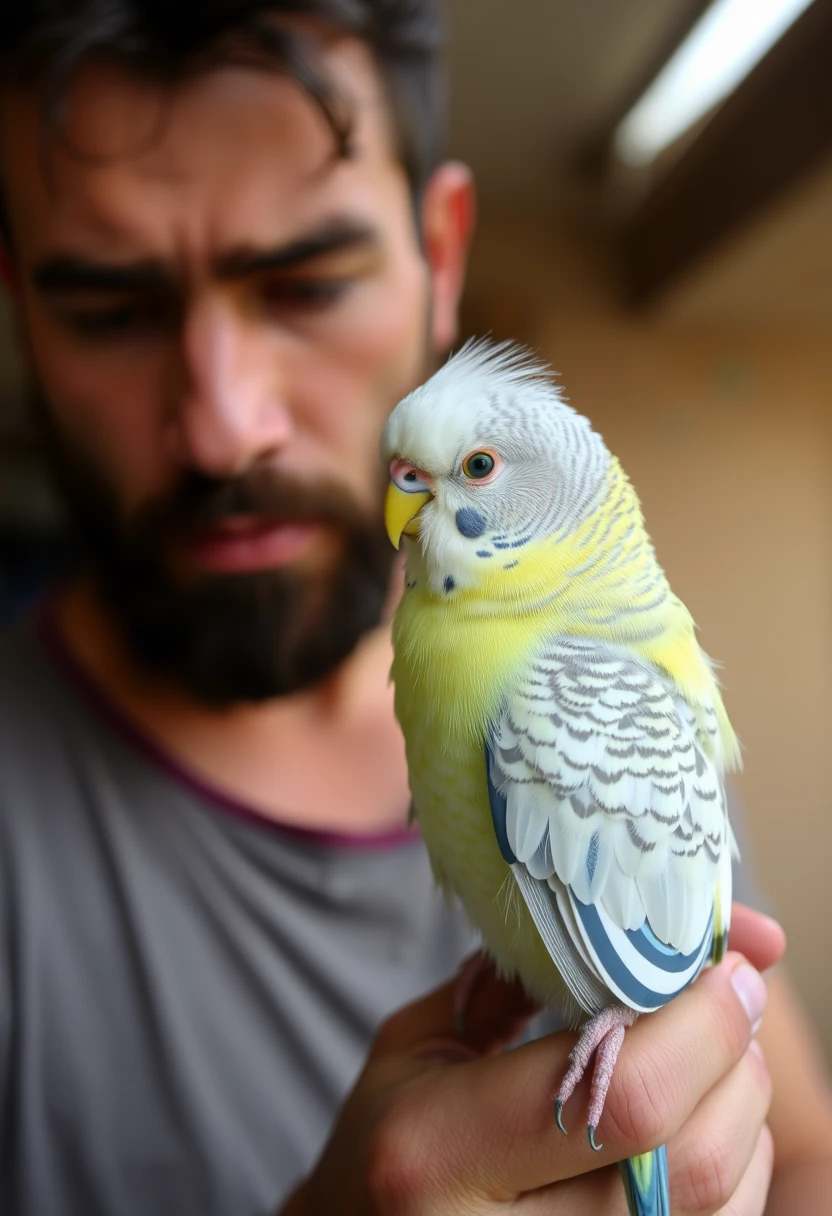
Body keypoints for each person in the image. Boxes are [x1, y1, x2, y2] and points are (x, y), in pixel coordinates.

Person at [0, 3, 829, 1213]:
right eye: (111, 309)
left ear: (441, 256)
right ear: (17, 304)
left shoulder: (617, 691)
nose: (226, 422)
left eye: (306, 283)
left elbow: (802, 1150)